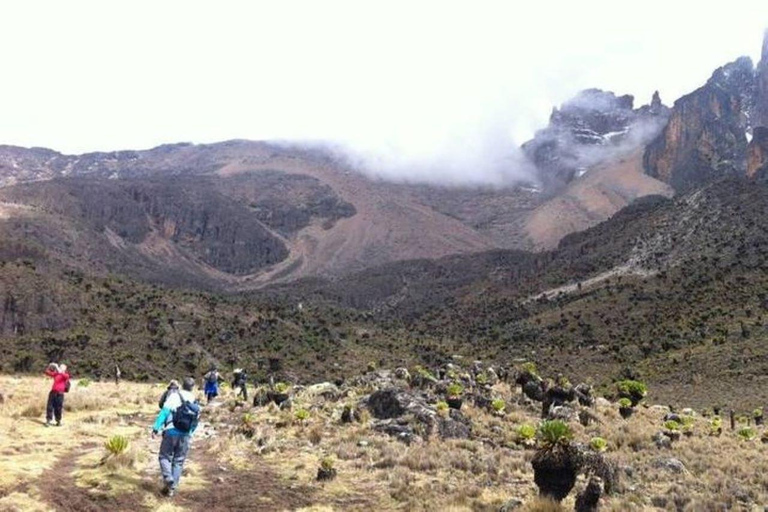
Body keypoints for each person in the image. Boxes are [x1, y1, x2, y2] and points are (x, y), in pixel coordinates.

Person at [152, 377, 201, 498]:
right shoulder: (194, 399)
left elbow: (164, 412)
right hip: (185, 434)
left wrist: (156, 428)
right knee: (179, 461)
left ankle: (168, 477)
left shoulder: (174, 396)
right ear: (192, 387)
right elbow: (196, 420)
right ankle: (171, 489)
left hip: (170, 431)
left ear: (182, 385)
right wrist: (190, 432)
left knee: (164, 456)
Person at [44, 363, 70, 427]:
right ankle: (48, 420)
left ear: (65, 369)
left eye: (62, 367)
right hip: (53, 392)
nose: (60, 368)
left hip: (60, 394)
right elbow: (47, 372)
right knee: (49, 406)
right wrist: (49, 366)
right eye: (60, 367)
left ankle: (58, 421)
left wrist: (57, 367)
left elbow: (63, 374)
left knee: (58, 408)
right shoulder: (56, 374)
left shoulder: (66, 375)